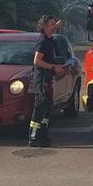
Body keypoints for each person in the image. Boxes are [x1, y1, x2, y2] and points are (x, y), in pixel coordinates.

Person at [28, 14, 64, 147]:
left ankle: (43, 135)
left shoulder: (50, 40)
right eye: (51, 24)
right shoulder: (43, 41)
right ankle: (34, 137)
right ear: (43, 27)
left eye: (54, 24)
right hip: (41, 80)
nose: (54, 26)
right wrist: (53, 66)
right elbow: (37, 61)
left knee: (47, 109)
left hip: (48, 80)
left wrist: (56, 24)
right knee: (40, 108)